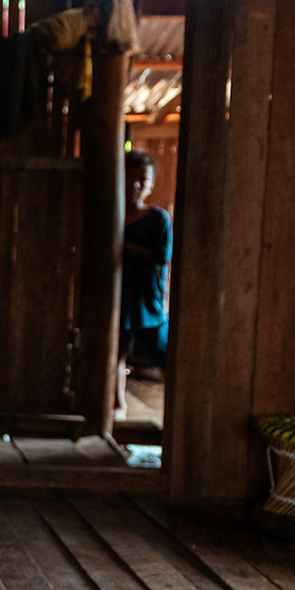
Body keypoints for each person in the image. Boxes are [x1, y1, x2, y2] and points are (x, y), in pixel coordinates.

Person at [118, 150, 171, 412]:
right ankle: (118, 408)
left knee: (163, 354)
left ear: (151, 184)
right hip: (118, 298)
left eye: (142, 178)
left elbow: (161, 256)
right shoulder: (112, 217)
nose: (135, 184)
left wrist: (121, 245)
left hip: (147, 302)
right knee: (116, 355)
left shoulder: (158, 219)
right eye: (130, 177)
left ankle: (174, 410)